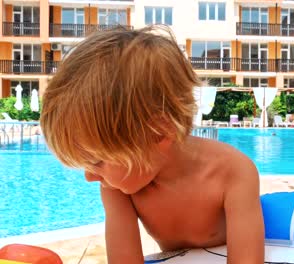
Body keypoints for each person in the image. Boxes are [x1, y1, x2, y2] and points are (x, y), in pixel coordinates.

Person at [40, 26, 264, 264]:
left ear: (159, 133)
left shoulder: (233, 173)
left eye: (97, 161)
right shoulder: (118, 188)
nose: (89, 176)